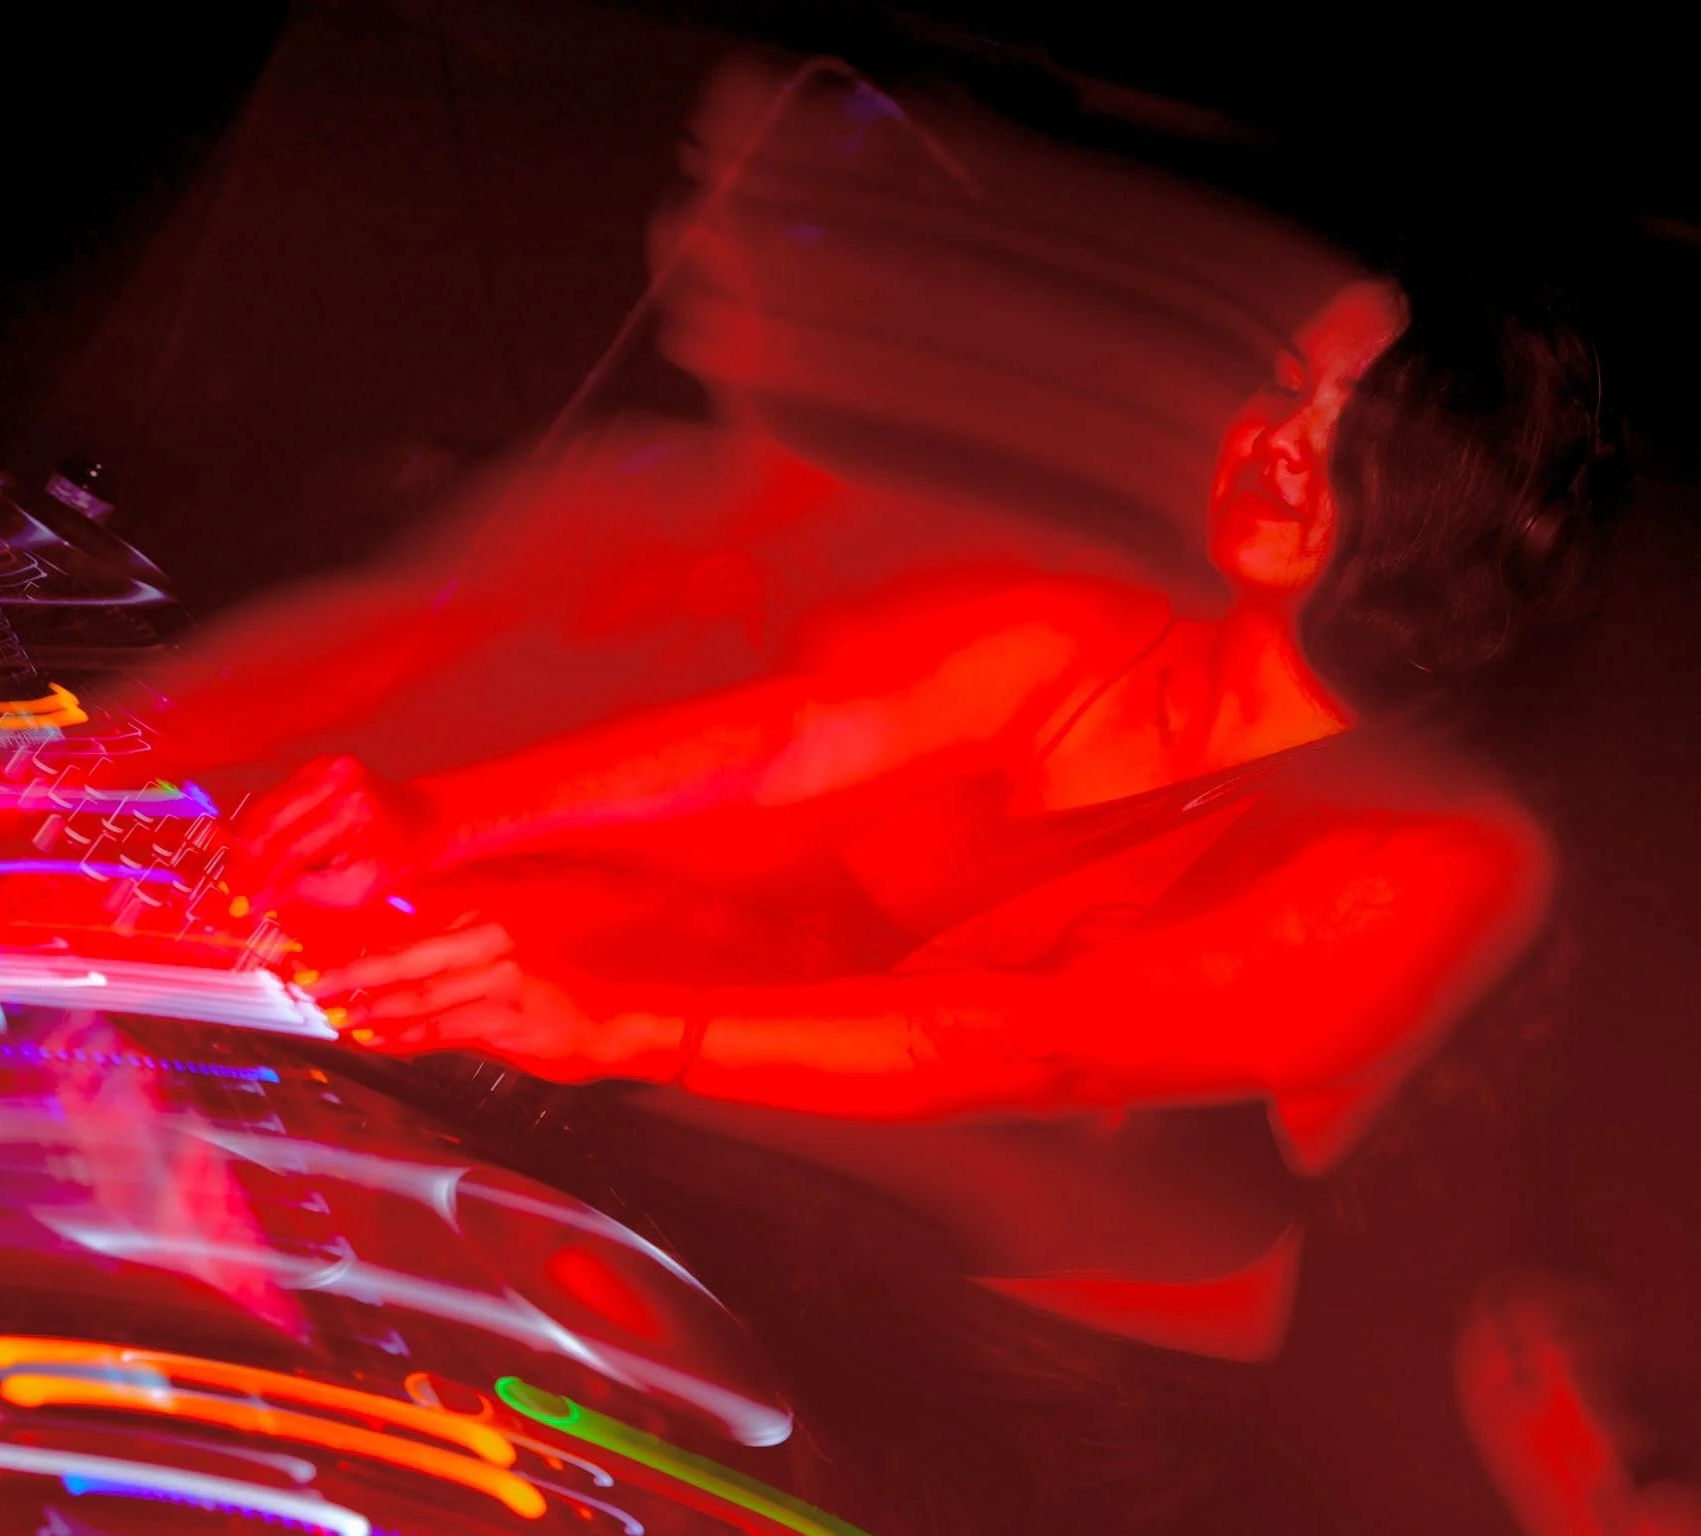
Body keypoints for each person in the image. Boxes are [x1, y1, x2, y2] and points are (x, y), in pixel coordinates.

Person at [225, 262, 1616, 1531]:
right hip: (804, 1246)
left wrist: (610, 1026)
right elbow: (779, 742)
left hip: (1042, 1402)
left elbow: (1031, 1041)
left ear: (1467, 509)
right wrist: (438, 816)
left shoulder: (1450, 850)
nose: (1274, 444)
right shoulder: (1072, 642)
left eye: (1355, 435)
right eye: (1279, 387)